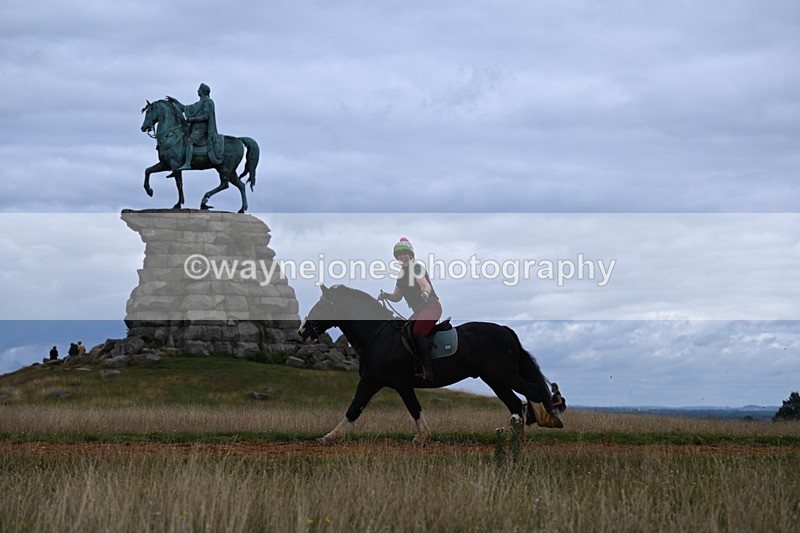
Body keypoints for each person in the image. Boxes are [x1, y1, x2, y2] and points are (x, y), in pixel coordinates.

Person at [378, 237, 442, 384]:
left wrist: (425, 292)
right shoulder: (401, 275)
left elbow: (425, 285)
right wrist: (386, 295)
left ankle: (428, 372)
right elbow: (397, 297)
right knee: (404, 332)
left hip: (431, 306)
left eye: (404, 253)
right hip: (419, 311)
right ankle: (414, 366)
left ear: (411, 255)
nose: (402, 257)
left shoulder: (416, 267)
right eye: (399, 255)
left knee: (418, 332)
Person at [166, 83, 224, 171]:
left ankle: (188, 164)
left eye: (199, 89)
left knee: (189, 141)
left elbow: (206, 116)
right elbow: (184, 108)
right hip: (194, 129)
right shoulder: (198, 103)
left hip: (202, 130)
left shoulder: (208, 102)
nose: (197, 91)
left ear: (203, 92)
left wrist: (193, 119)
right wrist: (175, 101)